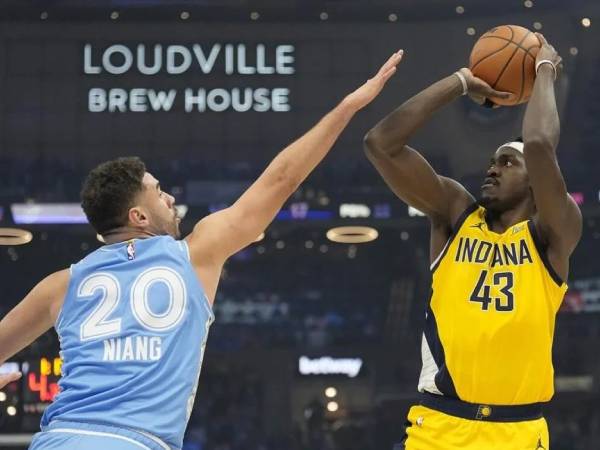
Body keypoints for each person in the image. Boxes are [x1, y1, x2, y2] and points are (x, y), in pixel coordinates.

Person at [0, 51, 403, 450]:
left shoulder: (59, 286)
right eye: (159, 192)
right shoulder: (195, 253)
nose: (171, 198)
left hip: (58, 439)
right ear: (139, 216)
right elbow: (281, 178)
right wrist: (349, 107)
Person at [364, 35, 580, 450]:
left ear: (537, 182)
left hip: (518, 432)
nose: (492, 170)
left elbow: (537, 145)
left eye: (506, 162)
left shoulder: (553, 233)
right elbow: (381, 144)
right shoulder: (455, 215)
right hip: (441, 427)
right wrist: (459, 82)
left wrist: (545, 70)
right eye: (491, 162)